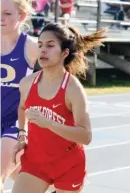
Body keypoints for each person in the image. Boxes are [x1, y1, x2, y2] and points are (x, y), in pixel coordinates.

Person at [11, 22, 106, 193]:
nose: (43, 50)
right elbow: (22, 108)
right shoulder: (27, 84)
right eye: (40, 45)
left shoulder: (73, 89)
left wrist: (49, 124)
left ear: (65, 52)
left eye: (50, 45)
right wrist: (22, 135)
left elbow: (86, 136)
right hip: (35, 161)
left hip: (68, 165)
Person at [1, 0, 39, 192]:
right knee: (25, 180)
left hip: (16, 121)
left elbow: (57, 71)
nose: (1, 18)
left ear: (22, 16)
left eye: (7, 13)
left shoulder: (30, 46)